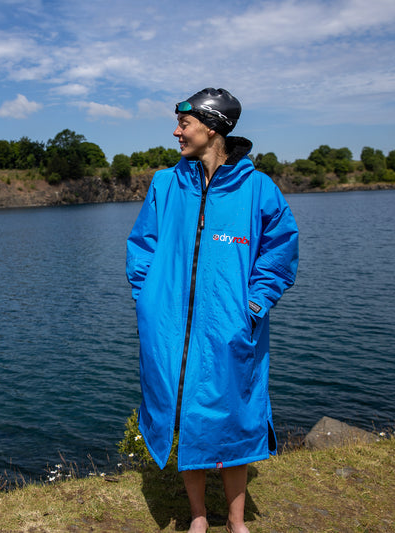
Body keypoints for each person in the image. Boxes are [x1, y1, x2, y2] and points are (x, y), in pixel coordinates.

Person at [125, 88, 299, 533]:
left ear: (213, 127)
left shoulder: (257, 188)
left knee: (234, 417)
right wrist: (147, 299)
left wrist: (255, 303)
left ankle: (237, 521)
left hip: (231, 328)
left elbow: (280, 250)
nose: (176, 131)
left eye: (184, 124)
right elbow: (142, 245)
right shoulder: (166, 183)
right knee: (185, 414)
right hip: (169, 329)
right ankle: (199, 516)